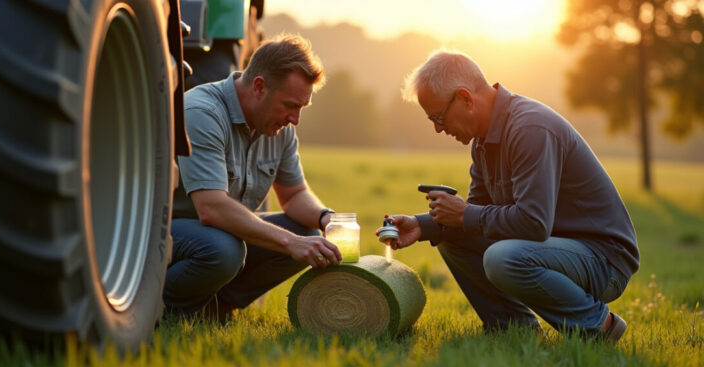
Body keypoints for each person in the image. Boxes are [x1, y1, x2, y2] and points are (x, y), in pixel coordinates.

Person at [381, 50, 639, 342]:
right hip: (555, 248)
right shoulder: (482, 142)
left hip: (603, 259)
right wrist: (422, 225)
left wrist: (464, 214)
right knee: (452, 236)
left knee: (501, 258)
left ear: (466, 98)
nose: (438, 129)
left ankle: (598, 327)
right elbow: (476, 216)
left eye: (439, 118)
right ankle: (515, 330)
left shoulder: (530, 128)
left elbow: (533, 222)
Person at [166, 34, 342, 321]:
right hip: (167, 235)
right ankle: (165, 311)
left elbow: (294, 195)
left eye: (301, 108)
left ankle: (214, 307)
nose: (295, 119)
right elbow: (211, 208)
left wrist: (327, 219)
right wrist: (290, 243)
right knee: (224, 250)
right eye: (290, 106)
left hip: (219, 235)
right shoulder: (202, 113)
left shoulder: (278, 127)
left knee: (308, 233)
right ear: (259, 87)